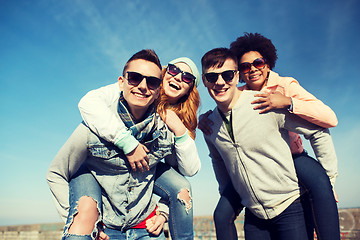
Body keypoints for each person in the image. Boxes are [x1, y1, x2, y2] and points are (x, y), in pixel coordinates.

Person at [46, 49, 200, 240]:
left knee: (182, 187)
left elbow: (184, 172)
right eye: (174, 70)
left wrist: (162, 213)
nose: (143, 86)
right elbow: (88, 103)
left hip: (145, 218)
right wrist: (129, 143)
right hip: (105, 214)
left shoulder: (169, 128)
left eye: (187, 77)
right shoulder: (105, 112)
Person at [198, 33, 340, 240]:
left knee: (320, 183)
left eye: (227, 75)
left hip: (291, 171)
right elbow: (219, 159)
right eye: (212, 77)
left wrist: (289, 102)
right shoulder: (219, 116)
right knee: (221, 215)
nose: (220, 81)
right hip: (255, 206)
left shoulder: (277, 93)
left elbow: (323, 125)